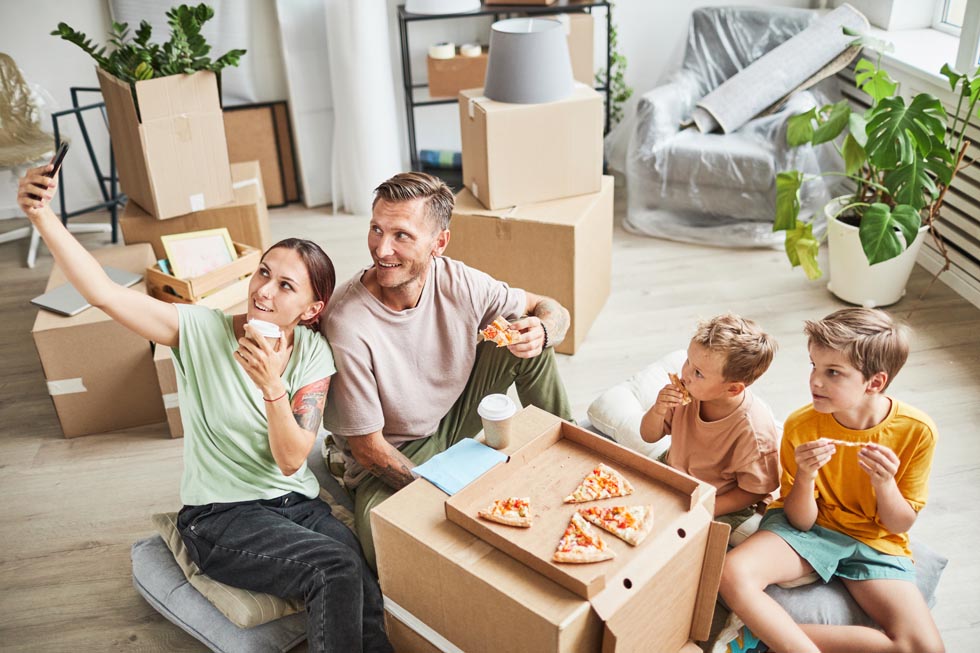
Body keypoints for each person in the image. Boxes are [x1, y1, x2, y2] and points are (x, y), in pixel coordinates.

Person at [17, 165, 392, 653]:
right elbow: (104, 294)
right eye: (264, 272)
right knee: (334, 567)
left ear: (311, 310)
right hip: (221, 517)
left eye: (285, 286)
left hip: (296, 506)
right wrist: (43, 216)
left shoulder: (313, 353)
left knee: (359, 573)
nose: (263, 290)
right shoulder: (198, 330)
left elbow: (292, 459)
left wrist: (272, 385)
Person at [322, 171, 573, 569]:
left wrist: (545, 330)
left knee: (526, 340)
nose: (381, 248)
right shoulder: (346, 322)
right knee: (384, 542)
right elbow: (369, 451)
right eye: (376, 229)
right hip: (393, 449)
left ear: (439, 242)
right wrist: (446, 492)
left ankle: (568, 450)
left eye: (401, 235)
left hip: (454, 413)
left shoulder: (459, 281)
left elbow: (548, 307)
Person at [719, 308, 944, 653]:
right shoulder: (801, 426)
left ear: (875, 382)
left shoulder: (917, 432)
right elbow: (800, 520)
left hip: (875, 542)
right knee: (731, 573)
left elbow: (899, 523)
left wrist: (884, 484)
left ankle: (765, 634)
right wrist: (806, 476)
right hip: (810, 530)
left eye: (833, 372)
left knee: (925, 648)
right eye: (813, 366)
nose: (815, 381)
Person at [639, 313, 780, 529]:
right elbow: (648, 436)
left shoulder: (753, 431)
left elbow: (754, 491)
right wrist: (659, 410)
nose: (685, 374)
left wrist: (706, 506)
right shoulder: (685, 394)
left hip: (718, 497)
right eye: (687, 361)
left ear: (733, 388)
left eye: (698, 373)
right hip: (673, 468)